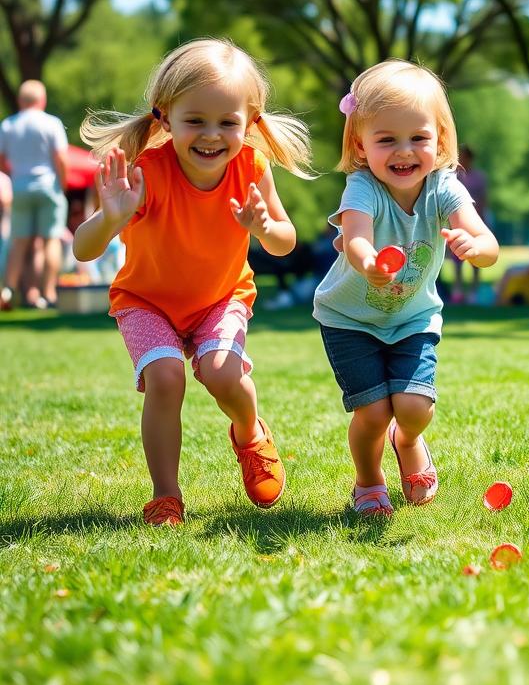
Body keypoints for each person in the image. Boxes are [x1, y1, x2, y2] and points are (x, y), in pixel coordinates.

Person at [73, 39, 312, 527]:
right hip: (146, 302)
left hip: (219, 299)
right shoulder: (146, 175)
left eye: (227, 123)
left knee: (225, 374)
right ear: (164, 119)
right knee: (165, 379)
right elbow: (83, 249)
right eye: (195, 121)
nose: (211, 135)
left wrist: (264, 227)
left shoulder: (251, 168)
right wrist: (111, 218)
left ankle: (249, 433)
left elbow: (284, 241)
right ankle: (166, 495)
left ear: (251, 122)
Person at [313, 61, 498, 518]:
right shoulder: (363, 186)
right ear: (360, 144)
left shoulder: (443, 188)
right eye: (386, 139)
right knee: (373, 413)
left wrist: (474, 246)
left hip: (413, 317)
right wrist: (367, 261)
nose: (404, 151)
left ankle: (409, 440)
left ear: (439, 139)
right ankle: (369, 480)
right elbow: (356, 235)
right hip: (350, 319)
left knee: (414, 407)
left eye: (418, 138)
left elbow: (488, 243)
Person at [0, 80, 68, 309]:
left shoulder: (8, 125)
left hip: (19, 186)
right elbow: (60, 158)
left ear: (20, 100)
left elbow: (1, 160)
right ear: (43, 100)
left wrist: (14, 175)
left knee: (18, 242)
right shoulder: (51, 123)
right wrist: (63, 184)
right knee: (51, 239)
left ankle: (8, 292)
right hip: (48, 185)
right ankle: (48, 293)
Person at [450, 144, 489, 303]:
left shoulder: (479, 177)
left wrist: (480, 217)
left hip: (476, 218)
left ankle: (474, 289)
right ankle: (458, 288)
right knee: (457, 255)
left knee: (476, 254)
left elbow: (483, 199)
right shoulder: (453, 175)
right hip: (456, 221)